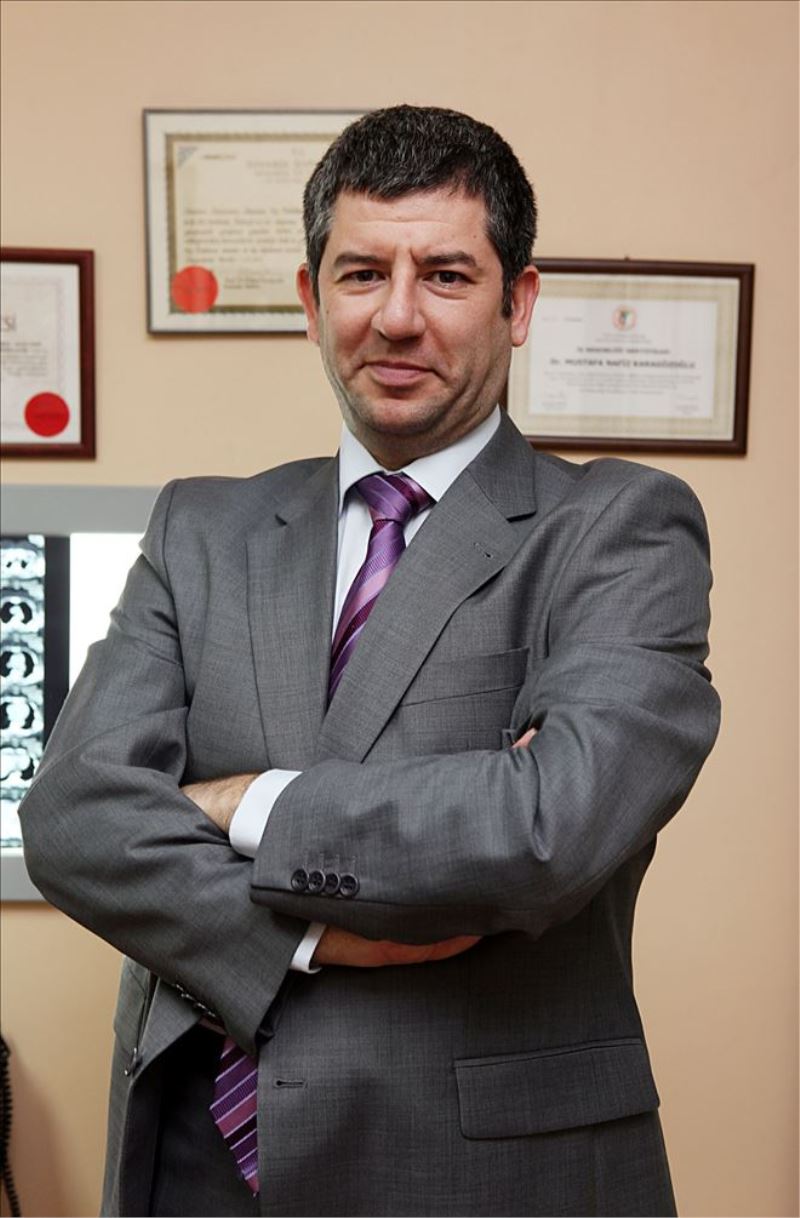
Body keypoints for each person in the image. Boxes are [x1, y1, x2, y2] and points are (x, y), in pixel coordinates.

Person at [20, 105, 720, 1218]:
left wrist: (239, 802)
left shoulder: (617, 529)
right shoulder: (203, 530)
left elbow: (547, 826)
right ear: (311, 301)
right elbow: (71, 818)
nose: (396, 317)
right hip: (194, 1162)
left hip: (475, 1174)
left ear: (518, 302)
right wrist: (307, 936)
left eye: (444, 275)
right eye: (360, 274)